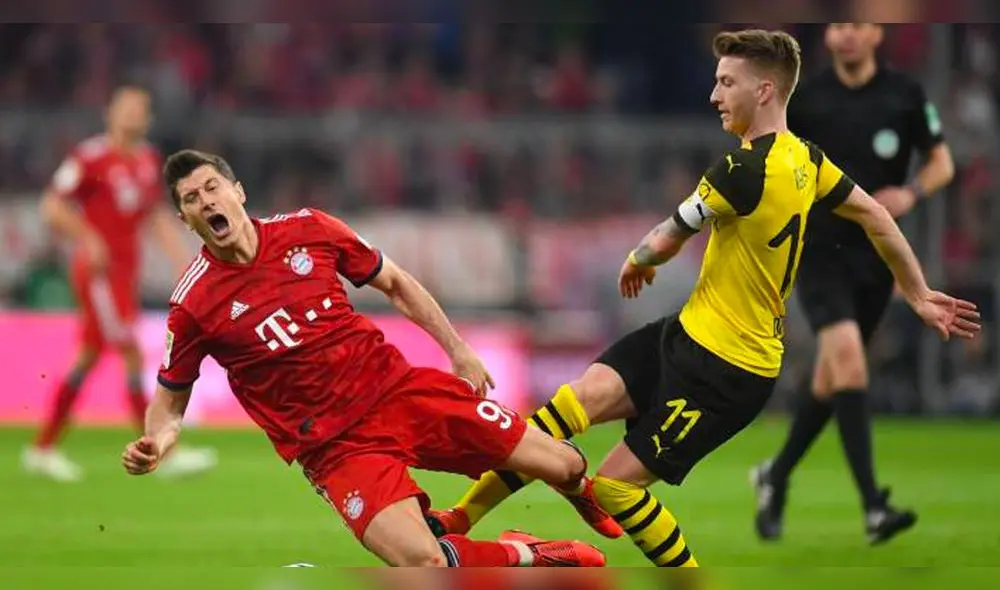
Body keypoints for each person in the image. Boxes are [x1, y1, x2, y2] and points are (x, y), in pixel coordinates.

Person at [426, 28, 980, 567]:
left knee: (616, 489)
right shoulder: (807, 161)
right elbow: (877, 215)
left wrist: (638, 260)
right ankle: (458, 520)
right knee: (564, 409)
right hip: (688, 332)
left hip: (728, 372)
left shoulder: (741, 169)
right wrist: (918, 292)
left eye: (726, 83)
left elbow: (668, 235)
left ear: (763, 90)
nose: (714, 95)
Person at [120, 149, 613, 568]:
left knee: (564, 463)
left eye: (211, 188)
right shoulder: (193, 304)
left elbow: (395, 283)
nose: (206, 202)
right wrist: (157, 442)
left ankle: (577, 489)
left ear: (238, 192)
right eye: (191, 199)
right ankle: (529, 554)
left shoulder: (309, 229)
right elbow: (170, 402)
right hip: (336, 449)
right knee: (425, 564)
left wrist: (458, 350)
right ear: (185, 221)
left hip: (398, 391)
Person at [750, 23, 956, 545]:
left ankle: (774, 476)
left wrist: (910, 194)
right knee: (848, 359)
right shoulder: (809, 98)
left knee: (831, 381)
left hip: (877, 259)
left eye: (857, 26)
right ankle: (873, 508)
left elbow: (942, 163)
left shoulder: (904, 95)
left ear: (876, 34)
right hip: (818, 253)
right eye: (838, 25)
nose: (845, 35)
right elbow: (769, 157)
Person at [23, 86, 217, 482]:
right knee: (129, 352)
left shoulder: (147, 162)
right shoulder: (90, 157)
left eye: (140, 109)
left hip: (123, 278)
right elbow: (52, 205)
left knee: (89, 354)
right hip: (99, 275)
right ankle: (158, 448)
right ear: (109, 113)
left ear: (147, 119)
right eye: (126, 107)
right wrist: (87, 236)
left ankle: (43, 448)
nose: (133, 115)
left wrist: (185, 260)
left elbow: (157, 216)